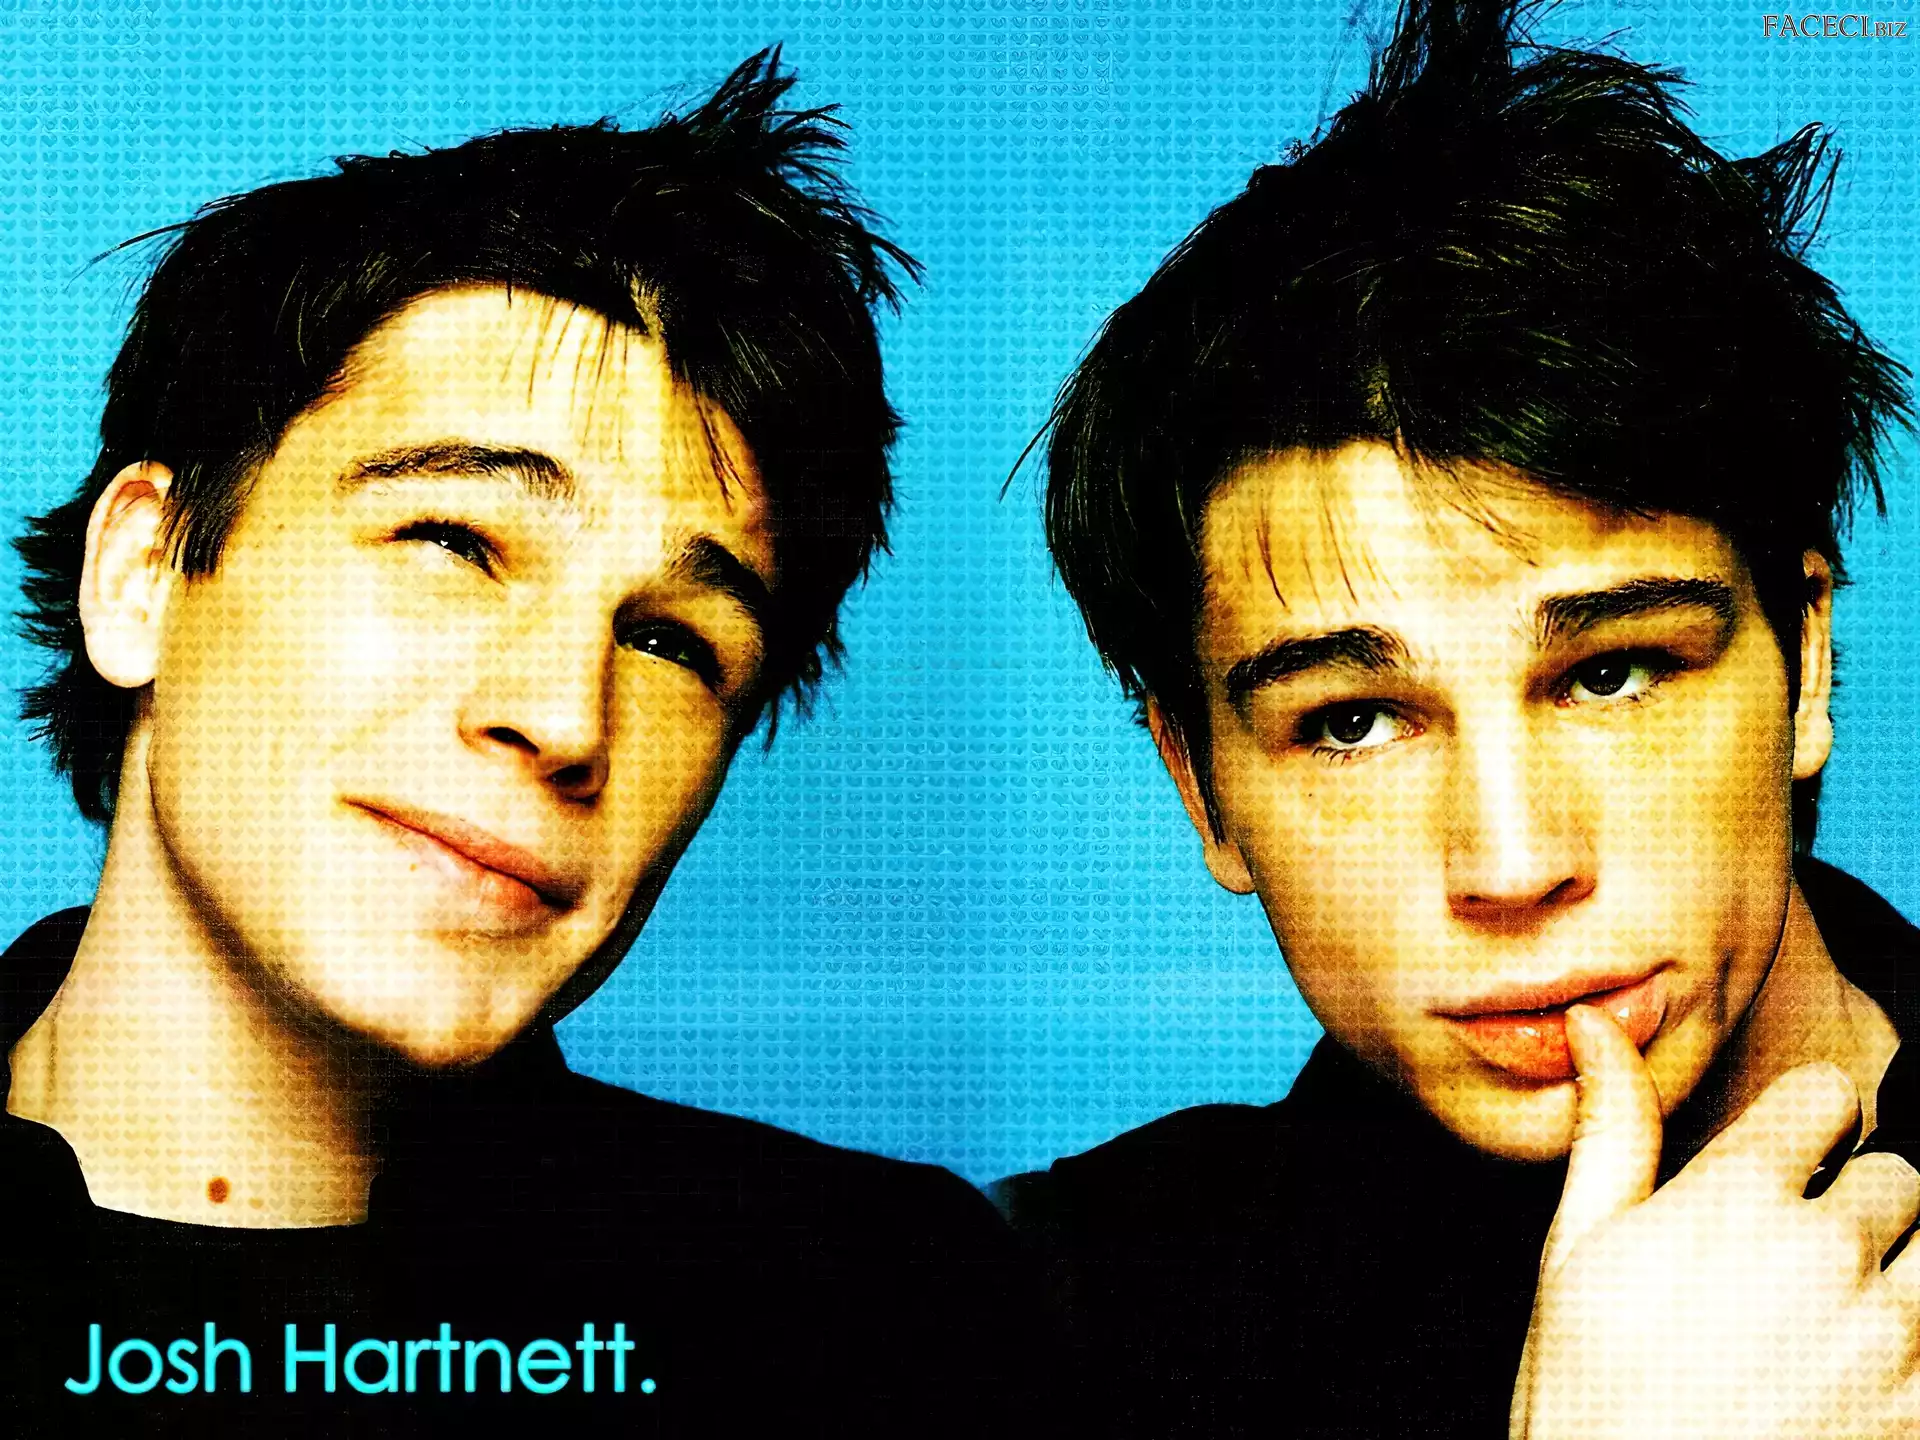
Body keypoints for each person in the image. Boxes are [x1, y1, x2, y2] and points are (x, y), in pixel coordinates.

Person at [0, 53, 1035, 1438]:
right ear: (142, 574)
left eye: (671, 642)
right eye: (453, 543)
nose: (563, 717)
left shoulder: (875, 1318)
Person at [1001, 1, 1920, 1434]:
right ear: (1202, 788)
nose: (1512, 863)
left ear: (1805, 663)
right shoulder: (1047, 1328)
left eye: (1611, 675)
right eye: (1354, 724)